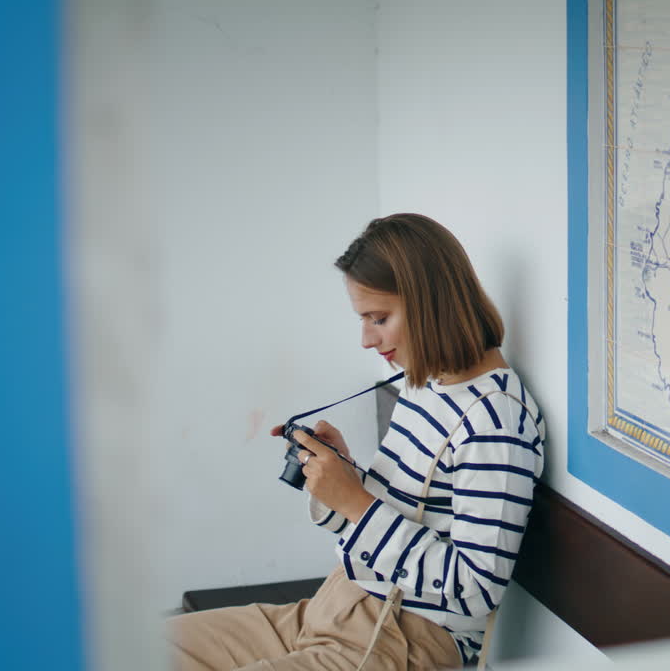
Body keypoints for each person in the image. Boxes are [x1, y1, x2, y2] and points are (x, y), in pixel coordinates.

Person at [169, 214, 545, 671]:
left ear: (431, 304)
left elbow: (475, 588)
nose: (367, 339)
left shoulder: (495, 417)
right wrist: (343, 476)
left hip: (407, 637)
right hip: (336, 605)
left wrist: (355, 503)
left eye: (379, 318)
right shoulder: (425, 383)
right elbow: (401, 519)